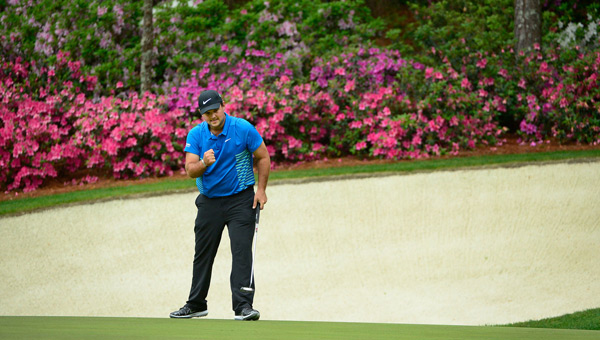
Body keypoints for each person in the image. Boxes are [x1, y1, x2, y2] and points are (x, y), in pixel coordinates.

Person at [170, 90, 270, 321]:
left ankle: (243, 306)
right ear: (202, 114)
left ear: (223, 105)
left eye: (215, 110)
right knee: (203, 254)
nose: (212, 115)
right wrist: (204, 162)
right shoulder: (196, 135)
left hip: (241, 199)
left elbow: (263, 157)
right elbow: (189, 170)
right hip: (209, 203)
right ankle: (196, 304)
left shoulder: (242, 128)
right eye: (207, 113)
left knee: (241, 252)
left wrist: (261, 190)